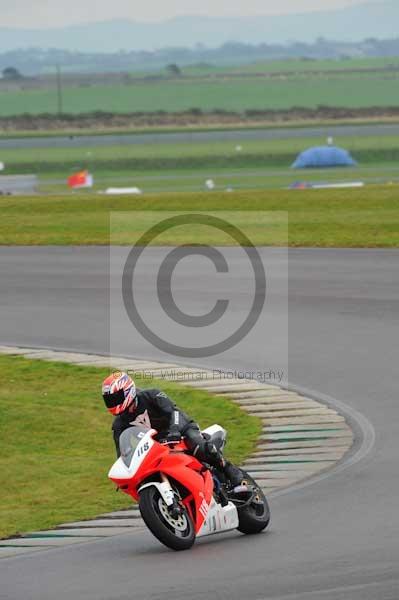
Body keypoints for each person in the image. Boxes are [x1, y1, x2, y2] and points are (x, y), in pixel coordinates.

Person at [102, 371, 245, 489]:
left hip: (181, 430)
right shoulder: (119, 424)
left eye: (115, 398)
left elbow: (173, 412)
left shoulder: (151, 395)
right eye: (109, 400)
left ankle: (231, 472)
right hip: (157, 447)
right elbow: (122, 453)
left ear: (127, 390)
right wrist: (126, 472)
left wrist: (174, 430)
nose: (113, 403)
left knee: (199, 447)